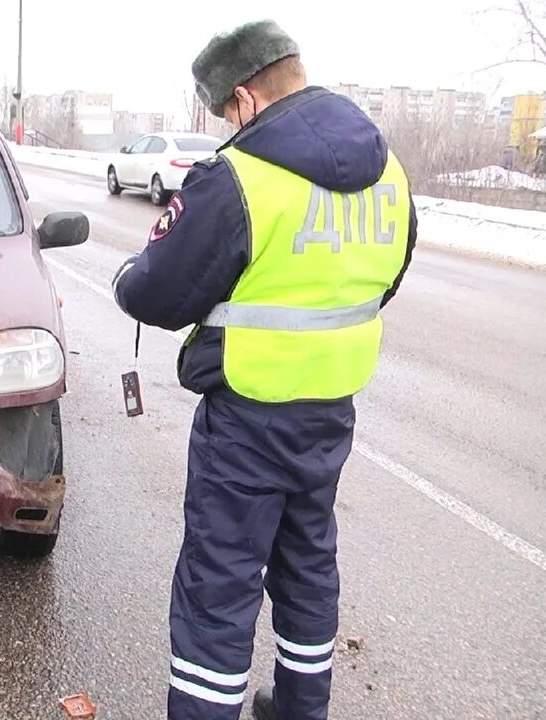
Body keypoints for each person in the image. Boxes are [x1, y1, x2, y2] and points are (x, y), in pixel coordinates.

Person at [111, 19, 416, 720]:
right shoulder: (391, 173)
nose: (226, 125)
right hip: (330, 411)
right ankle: (302, 707)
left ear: (245, 100)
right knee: (308, 565)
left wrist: (131, 277)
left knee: (218, 587)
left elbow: (160, 292)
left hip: (247, 416)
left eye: (225, 112)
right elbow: (384, 279)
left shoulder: (239, 177)